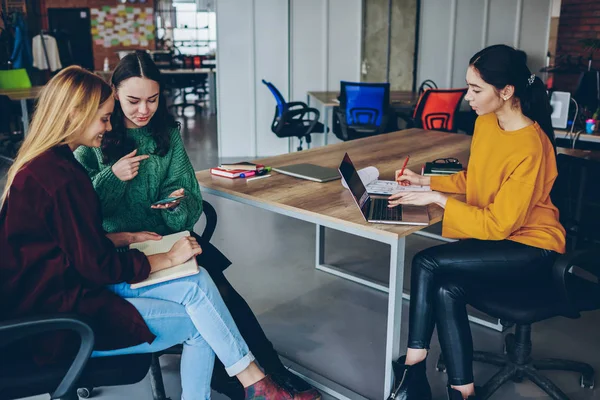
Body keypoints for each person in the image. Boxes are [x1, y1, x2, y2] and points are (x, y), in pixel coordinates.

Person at [0, 66, 319, 400]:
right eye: (106, 117)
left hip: (73, 285)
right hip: (64, 312)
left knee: (200, 283)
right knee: (199, 318)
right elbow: (94, 264)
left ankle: (259, 383)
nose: (110, 125)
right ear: (76, 113)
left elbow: (68, 242)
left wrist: (126, 237)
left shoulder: (50, 164)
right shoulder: (63, 175)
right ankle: (258, 384)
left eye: (151, 100)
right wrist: (164, 257)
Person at [386, 45, 566, 400]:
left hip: (532, 246)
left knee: (426, 261)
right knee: (445, 289)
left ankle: (412, 370)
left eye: (475, 89)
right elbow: (476, 180)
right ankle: (463, 391)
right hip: (505, 239)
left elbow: (499, 225)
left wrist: (438, 200)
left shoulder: (531, 146)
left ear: (507, 92)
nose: (467, 97)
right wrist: (424, 182)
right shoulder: (487, 123)